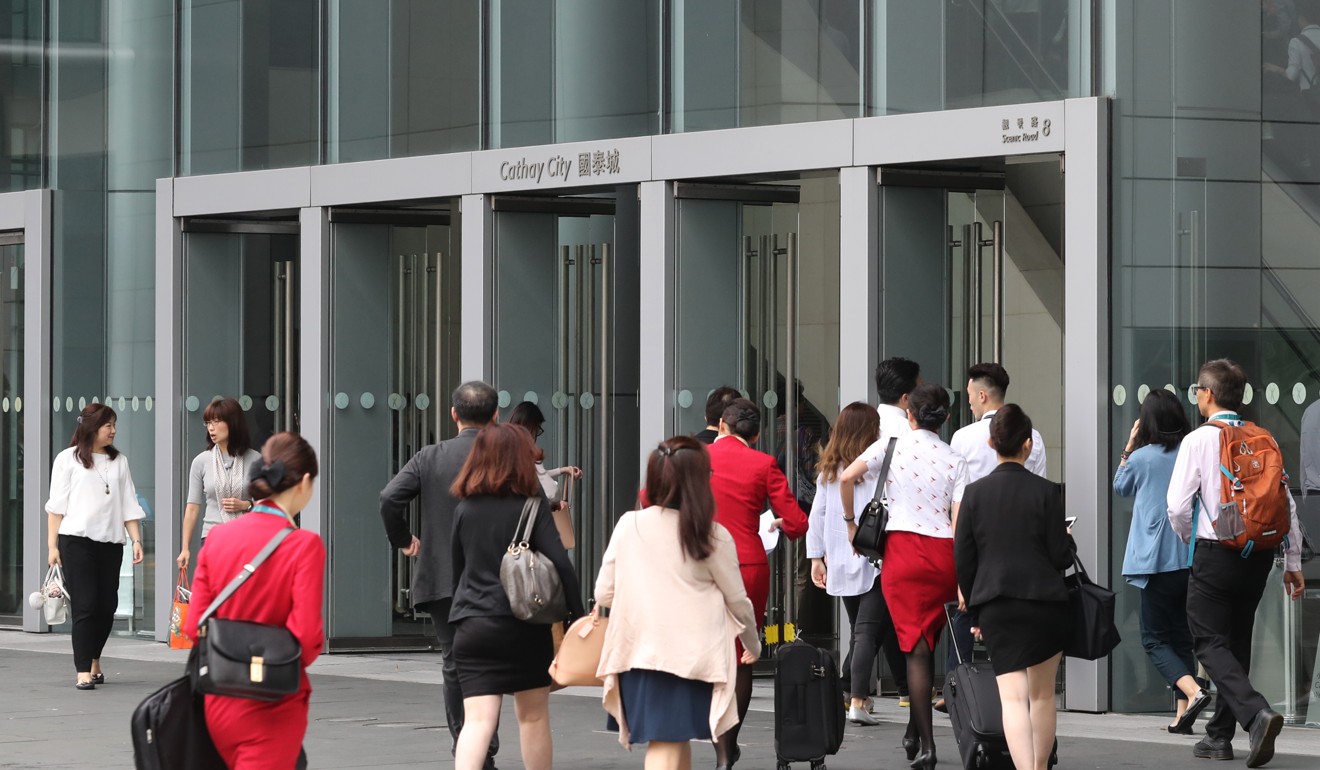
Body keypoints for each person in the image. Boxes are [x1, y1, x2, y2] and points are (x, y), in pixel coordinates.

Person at [1167, 359, 1305, 768]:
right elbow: (1286, 502)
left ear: (1206, 395)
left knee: (1208, 640)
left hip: (1217, 552)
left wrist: (1191, 540)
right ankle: (1218, 737)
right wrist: (1292, 559)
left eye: (1197, 391)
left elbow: (1176, 507)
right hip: (1259, 555)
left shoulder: (1199, 440)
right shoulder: (1265, 437)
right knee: (1236, 641)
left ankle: (1255, 713)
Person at [595, 436, 761, 770]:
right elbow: (738, 602)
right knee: (669, 743)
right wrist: (752, 643)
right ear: (700, 482)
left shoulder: (630, 524)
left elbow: (603, 594)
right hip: (690, 657)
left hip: (637, 652)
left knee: (672, 740)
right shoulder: (711, 535)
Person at [840, 383, 968, 769]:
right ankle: (914, 731)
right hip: (943, 555)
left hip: (903, 554)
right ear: (945, 418)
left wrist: (850, 525)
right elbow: (958, 524)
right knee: (926, 641)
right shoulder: (955, 458)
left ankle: (926, 744)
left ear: (909, 414)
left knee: (914, 648)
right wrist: (962, 577)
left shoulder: (890, 445)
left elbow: (846, 477)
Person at [378, 381, 502, 769]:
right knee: (488, 662)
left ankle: (464, 744)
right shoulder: (505, 455)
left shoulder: (430, 457)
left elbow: (389, 498)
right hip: (493, 577)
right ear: (496, 416)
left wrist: (404, 539)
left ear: (453, 414)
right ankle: (484, 747)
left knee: (453, 661)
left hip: (441, 575)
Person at [184, 432, 326, 770]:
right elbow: (306, 639)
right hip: (273, 702)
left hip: (217, 698)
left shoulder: (217, 536)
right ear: (305, 482)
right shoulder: (304, 545)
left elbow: (194, 626)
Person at [448, 423, 584, 770]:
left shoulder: (465, 508)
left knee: (477, 720)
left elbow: (458, 569)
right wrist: (576, 615)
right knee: (533, 716)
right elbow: (562, 565)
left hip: (472, 624)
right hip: (522, 625)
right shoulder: (531, 504)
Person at [954, 405, 1073, 770]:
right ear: (1028, 445)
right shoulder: (1047, 493)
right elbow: (1060, 556)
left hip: (997, 604)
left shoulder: (975, 494)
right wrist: (1067, 539)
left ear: (992, 443)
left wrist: (975, 608)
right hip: (1045, 603)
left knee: (1012, 699)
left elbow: (964, 558)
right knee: (1042, 697)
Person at [707, 398, 809, 769]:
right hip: (747, 564)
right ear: (759, 433)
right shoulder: (764, 463)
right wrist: (780, 524)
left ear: (721, 425)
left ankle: (716, 738)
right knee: (743, 656)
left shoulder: (696, 457)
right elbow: (797, 523)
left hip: (700, 564)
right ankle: (727, 748)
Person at [943, 362, 1048, 705]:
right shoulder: (1036, 437)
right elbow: (1041, 489)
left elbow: (954, 492)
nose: (970, 402)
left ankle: (956, 683)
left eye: (972, 396)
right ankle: (1015, 679)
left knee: (965, 606)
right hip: (1022, 541)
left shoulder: (963, 437)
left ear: (984, 395)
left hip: (977, 535)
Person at [807, 402, 908, 726]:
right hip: (875, 559)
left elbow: (818, 516)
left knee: (859, 632)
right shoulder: (878, 467)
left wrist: (816, 558)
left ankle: (852, 692)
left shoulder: (829, 470)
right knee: (866, 633)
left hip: (840, 558)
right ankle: (858, 700)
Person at [1112, 389, 1207, 734]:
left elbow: (1120, 486)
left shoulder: (1142, 458)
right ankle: (1182, 714)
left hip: (1154, 561)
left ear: (1147, 421)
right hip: (1190, 557)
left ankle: (1194, 690)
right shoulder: (1190, 450)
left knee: (1153, 638)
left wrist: (1129, 444)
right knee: (1182, 636)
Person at [45, 403, 146, 690]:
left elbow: (129, 503)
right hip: (76, 541)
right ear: (91, 427)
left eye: (114, 425)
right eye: (108, 425)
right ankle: (82, 671)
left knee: (107, 606)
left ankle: (94, 659)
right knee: (86, 605)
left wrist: (136, 540)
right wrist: (52, 546)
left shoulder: (120, 461)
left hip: (111, 543)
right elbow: (56, 508)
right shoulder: (67, 460)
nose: (113, 430)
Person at [839, 356, 922, 708]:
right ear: (906, 397)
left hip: (859, 536)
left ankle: (890, 687)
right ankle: (854, 690)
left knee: (872, 620)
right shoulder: (906, 431)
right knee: (873, 624)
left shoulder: (863, 422)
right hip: (894, 536)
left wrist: (847, 523)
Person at [178, 397, 262, 569]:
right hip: (212, 538)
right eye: (208, 423)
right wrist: (185, 548)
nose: (211, 428)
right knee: (216, 594)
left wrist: (246, 504)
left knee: (243, 593)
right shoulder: (201, 461)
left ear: (233, 423)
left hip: (246, 539)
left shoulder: (255, 459)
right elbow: (192, 507)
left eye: (216, 422)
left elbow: (267, 502)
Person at [507, 400, 582, 548]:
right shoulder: (526, 452)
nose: (536, 435)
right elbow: (551, 493)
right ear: (530, 427)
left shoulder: (506, 449)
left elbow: (536, 475)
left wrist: (562, 470)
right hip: (531, 532)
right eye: (537, 429)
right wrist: (556, 502)